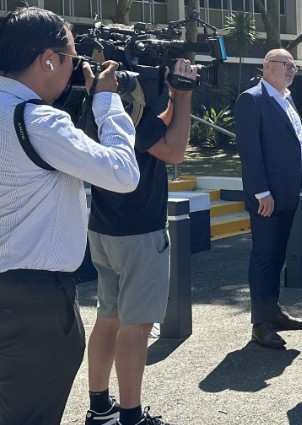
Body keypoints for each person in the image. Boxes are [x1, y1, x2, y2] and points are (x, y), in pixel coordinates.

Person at [0, 7, 140, 424]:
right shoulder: (36, 120)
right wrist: (108, 100)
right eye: (74, 60)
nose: (77, 69)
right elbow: (122, 173)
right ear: (47, 59)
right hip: (35, 304)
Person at [83, 60, 197, 425]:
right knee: (137, 326)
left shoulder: (100, 107)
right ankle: (131, 417)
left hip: (104, 229)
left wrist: (173, 101)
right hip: (139, 234)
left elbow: (155, 129)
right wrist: (185, 95)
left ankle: (100, 408)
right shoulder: (133, 116)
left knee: (108, 317)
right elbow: (175, 150)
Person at [235, 48, 302, 349]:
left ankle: (274, 312)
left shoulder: (287, 98)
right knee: (265, 258)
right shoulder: (251, 99)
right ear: (267, 66)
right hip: (268, 196)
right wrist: (261, 192)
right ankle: (261, 323)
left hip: (289, 192)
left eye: (294, 65)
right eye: (286, 65)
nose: (292, 70)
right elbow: (250, 152)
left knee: (278, 256)